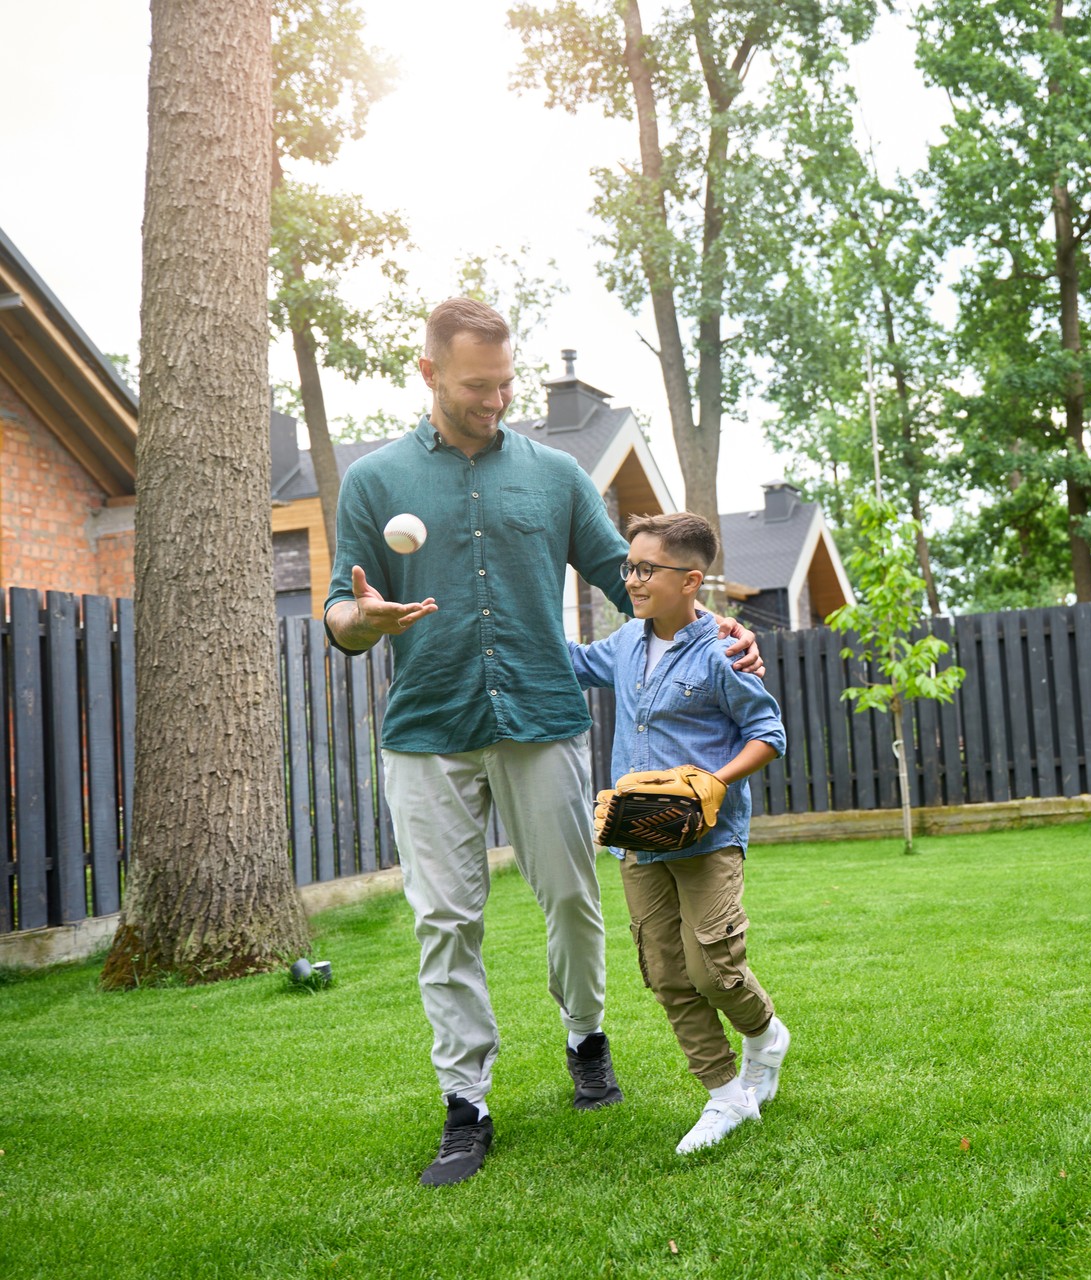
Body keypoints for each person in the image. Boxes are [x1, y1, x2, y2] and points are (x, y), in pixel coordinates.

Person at [322, 297, 763, 1188]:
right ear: (429, 373)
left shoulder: (556, 476)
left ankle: (585, 1040)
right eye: (475, 385)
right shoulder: (375, 483)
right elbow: (339, 610)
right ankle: (466, 1102)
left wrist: (713, 626)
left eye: (505, 382)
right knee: (445, 919)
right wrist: (362, 621)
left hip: (542, 716)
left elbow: (626, 575)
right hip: (428, 731)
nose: (494, 399)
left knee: (570, 900)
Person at [570, 512, 791, 1156]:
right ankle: (724, 1095)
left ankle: (766, 1034)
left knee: (713, 970)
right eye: (629, 568)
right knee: (666, 973)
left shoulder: (724, 651)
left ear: (690, 580)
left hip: (706, 840)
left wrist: (717, 782)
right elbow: (572, 663)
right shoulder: (622, 646)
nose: (632, 580)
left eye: (646, 569)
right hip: (636, 837)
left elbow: (768, 735)